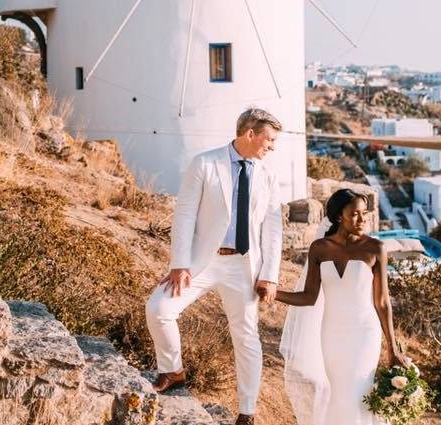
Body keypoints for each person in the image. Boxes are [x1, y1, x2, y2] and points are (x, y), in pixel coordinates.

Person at [145, 108, 283, 425]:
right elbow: (184, 215)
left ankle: (247, 411)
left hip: (244, 267)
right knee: (159, 308)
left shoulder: (269, 175)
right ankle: (173, 371)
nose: (272, 146)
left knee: (246, 336)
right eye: (269, 139)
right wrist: (180, 263)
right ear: (250, 134)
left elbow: (272, 230)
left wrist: (270, 276)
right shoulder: (205, 163)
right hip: (200, 262)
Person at [269, 189, 410, 425]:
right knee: (339, 394)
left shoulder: (375, 248)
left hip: (364, 333)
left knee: (360, 392)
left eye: (364, 213)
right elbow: (308, 297)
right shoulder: (319, 248)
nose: (362, 219)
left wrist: (392, 349)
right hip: (332, 334)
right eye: (355, 214)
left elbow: (382, 302)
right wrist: (274, 294)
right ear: (338, 216)